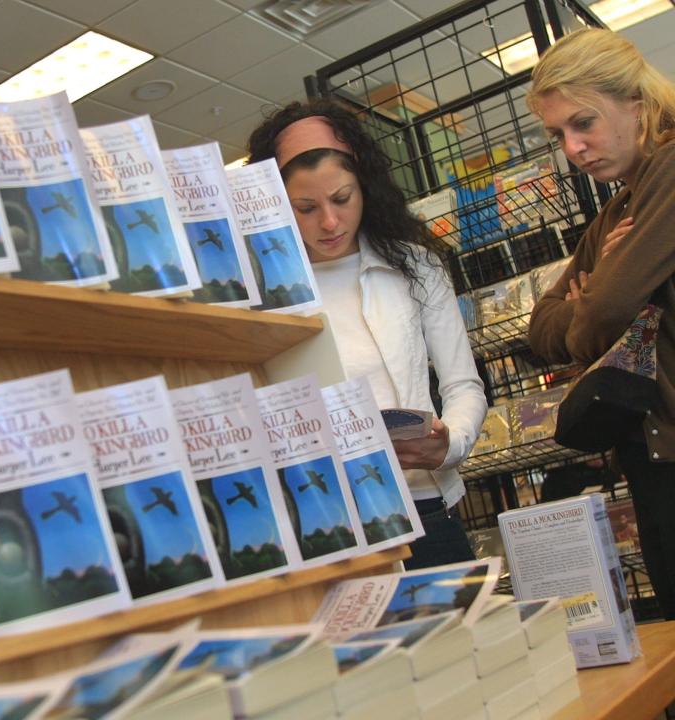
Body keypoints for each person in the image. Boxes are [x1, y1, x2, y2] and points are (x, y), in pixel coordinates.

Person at [247, 99, 488, 569]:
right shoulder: (261, 291)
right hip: (324, 523)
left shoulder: (415, 266)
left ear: (365, 188)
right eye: (305, 207)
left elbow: (463, 386)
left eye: (342, 198)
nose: (330, 222)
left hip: (422, 509)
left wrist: (448, 444)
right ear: (274, 205)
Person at [526, 27, 675, 620]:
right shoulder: (619, 208)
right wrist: (592, 301)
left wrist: (596, 297)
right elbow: (538, 331)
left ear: (635, 103)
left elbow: (607, 311)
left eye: (583, 122)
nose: (573, 147)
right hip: (653, 446)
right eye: (558, 133)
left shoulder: (667, 170)